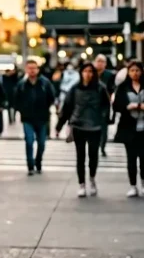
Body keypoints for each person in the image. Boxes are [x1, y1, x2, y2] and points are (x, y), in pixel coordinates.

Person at [56, 62, 110, 198]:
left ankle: (92, 178)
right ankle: (81, 183)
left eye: (90, 71)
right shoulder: (75, 88)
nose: (88, 74)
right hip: (78, 125)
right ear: (81, 73)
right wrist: (59, 126)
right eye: (85, 71)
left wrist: (103, 118)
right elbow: (67, 107)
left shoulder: (100, 88)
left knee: (93, 156)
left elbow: (106, 106)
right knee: (80, 157)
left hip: (95, 126)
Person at [113, 61, 144, 197]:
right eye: (132, 70)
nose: (135, 73)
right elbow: (116, 105)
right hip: (129, 127)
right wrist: (127, 106)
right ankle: (133, 185)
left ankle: (143, 181)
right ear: (128, 72)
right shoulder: (123, 87)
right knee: (131, 158)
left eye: (137, 70)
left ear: (141, 72)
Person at [13, 61, 56, 175]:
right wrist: (21, 110)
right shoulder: (22, 84)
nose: (32, 70)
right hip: (27, 118)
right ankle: (30, 165)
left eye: (34, 68)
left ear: (38, 69)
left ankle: (38, 161)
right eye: (30, 68)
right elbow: (16, 99)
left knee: (41, 143)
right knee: (29, 141)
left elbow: (52, 97)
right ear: (26, 69)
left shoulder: (45, 83)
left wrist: (46, 107)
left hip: (42, 118)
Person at [96, 55, 117, 158]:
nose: (100, 63)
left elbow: (112, 89)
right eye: (98, 61)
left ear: (105, 63)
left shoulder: (110, 75)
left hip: (105, 103)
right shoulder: (92, 73)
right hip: (93, 104)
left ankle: (102, 146)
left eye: (102, 61)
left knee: (104, 127)